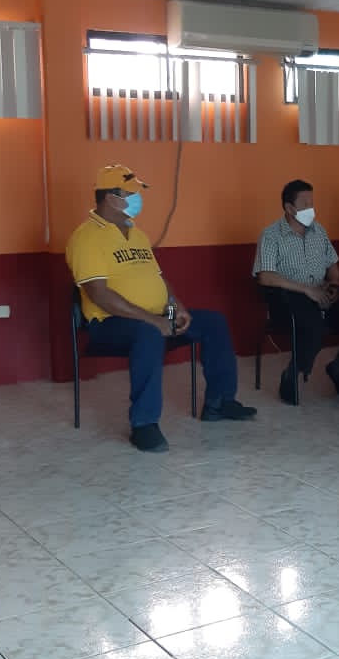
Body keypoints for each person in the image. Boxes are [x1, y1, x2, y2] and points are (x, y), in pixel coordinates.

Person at [67, 164, 255, 453]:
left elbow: (159, 279)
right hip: (108, 323)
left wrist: (177, 307)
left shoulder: (136, 234)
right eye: (131, 194)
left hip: (156, 317)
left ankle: (219, 402)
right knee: (148, 333)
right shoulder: (86, 237)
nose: (137, 199)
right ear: (111, 198)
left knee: (213, 322)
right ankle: (144, 425)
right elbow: (99, 295)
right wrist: (154, 321)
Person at [254, 179, 339, 404]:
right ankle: (293, 372)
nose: (311, 208)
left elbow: (333, 267)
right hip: (288, 299)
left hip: (322, 294)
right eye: (305, 204)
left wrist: (334, 286)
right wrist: (307, 290)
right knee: (313, 324)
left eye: (312, 202)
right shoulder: (271, 235)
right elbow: (265, 276)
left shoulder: (318, 231)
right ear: (289, 208)